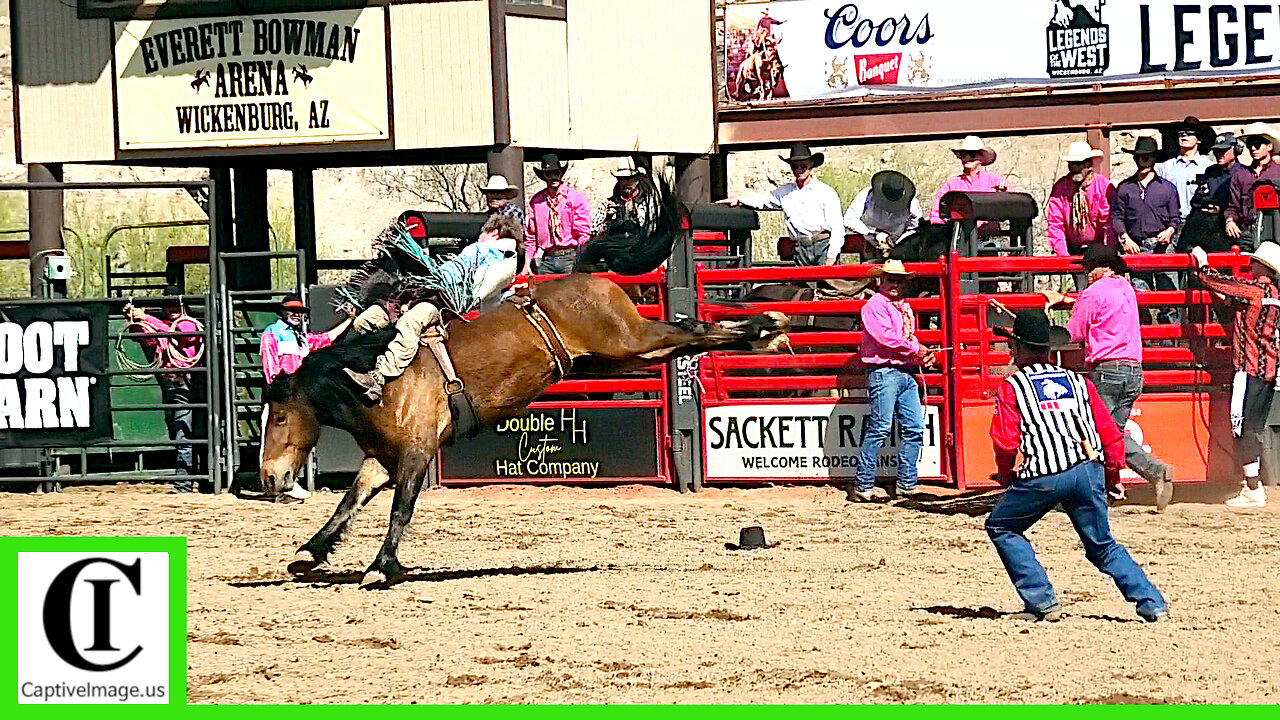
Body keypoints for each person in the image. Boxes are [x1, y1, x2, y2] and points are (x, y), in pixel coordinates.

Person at [986, 309, 1169, 623]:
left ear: (1016, 349)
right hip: (1087, 470)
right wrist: (1112, 476)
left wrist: (1005, 475)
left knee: (1002, 526)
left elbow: (1005, 441)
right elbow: (1111, 435)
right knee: (1101, 544)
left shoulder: (1011, 387)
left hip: (1042, 476)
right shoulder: (1080, 382)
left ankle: (1042, 601)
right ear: (1049, 349)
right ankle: (1151, 602)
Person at [1041, 244, 1175, 511]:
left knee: (1099, 432)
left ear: (1102, 269)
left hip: (1107, 369)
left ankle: (1138, 475)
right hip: (1133, 369)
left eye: (1090, 269)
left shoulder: (1092, 294)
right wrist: (1070, 300)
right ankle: (1117, 484)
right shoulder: (1126, 290)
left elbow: (1073, 333)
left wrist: (1046, 324)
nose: (1088, 274)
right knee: (1111, 432)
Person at [343, 213, 521, 402]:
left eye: (483, 232)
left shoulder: (496, 254)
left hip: (442, 301)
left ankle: (379, 377)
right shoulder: (485, 253)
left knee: (410, 322)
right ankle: (355, 367)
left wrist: (437, 279)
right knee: (365, 321)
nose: (480, 236)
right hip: (417, 293)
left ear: (495, 232)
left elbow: (474, 285)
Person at [1189, 241, 1280, 507]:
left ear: (1260, 266)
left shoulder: (1253, 290)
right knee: (1252, 427)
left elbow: (1214, 280)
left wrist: (1202, 261)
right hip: (1268, 369)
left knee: (1242, 427)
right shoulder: (1271, 293)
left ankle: (1253, 487)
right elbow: (1232, 298)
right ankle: (1253, 483)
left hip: (1249, 367)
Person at [848, 260, 934, 502]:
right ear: (881, 281)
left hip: (902, 371)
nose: (895, 284)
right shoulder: (875, 306)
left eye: (898, 280)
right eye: (891, 279)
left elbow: (898, 339)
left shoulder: (900, 307)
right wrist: (917, 348)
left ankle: (905, 483)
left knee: (913, 427)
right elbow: (887, 339)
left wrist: (918, 353)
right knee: (881, 428)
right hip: (884, 371)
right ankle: (864, 485)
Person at [126, 287, 205, 493]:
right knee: (178, 429)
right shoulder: (163, 327)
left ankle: (184, 482)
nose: (171, 309)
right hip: (172, 382)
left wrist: (146, 318)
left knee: (182, 430)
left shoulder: (186, 324)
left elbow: (181, 335)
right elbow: (148, 339)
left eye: (174, 304)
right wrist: (137, 321)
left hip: (184, 382)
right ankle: (188, 479)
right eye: (167, 305)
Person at [718, 142, 844, 266]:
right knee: (801, 286)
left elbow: (837, 228)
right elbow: (763, 200)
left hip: (823, 245)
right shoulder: (785, 191)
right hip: (799, 248)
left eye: (803, 166)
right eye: (795, 166)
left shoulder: (826, 192)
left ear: (811, 166)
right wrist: (740, 199)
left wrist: (831, 257)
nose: (799, 170)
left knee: (827, 284)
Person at [1112, 137, 1182, 325]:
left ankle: (1170, 348)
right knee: (1140, 299)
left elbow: (1176, 218)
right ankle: (1144, 347)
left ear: (1153, 159)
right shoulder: (1125, 188)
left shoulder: (1167, 188)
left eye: (1146, 157)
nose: (1142, 162)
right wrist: (1125, 238)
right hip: (1137, 247)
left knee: (1169, 300)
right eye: (1139, 158)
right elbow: (1117, 217)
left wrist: (1169, 231)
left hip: (1163, 247)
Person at [1180, 133, 1249, 254]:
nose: (1219, 155)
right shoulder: (1211, 172)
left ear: (1236, 150)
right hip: (1207, 226)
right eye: (1217, 151)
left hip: (1230, 229)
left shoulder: (1243, 174)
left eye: (1223, 151)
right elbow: (1198, 200)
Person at [523, 154, 591, 275]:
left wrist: (582, 257)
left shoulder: (575, 198)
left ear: (561, 173)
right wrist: (527, 264)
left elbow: (583, 233)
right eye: (548, 174)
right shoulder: (536, 202)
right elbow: (531, 237)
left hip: (571, 257)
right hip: (547, 259)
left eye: (556, 173)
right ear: (543, 176)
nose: (553, 177)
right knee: (541, 292)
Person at [1046, 141, 1114, 257]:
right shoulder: (1060, 189)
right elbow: (1055, 224)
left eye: (1080, 163)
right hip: (1071, 249)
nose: (1075, 168)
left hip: (1097, 248)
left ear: (1089, 164)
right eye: (1072, 164)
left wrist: (1109, 252)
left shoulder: (1103, 186)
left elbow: (1108, 222)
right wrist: (1064, 256)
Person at [929, 136, 1012, 224]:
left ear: (981, 159)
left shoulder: (994, 181)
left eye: (972, 155)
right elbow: (937, 215)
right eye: (964, 154)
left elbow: (1013, 205)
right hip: (960, 235)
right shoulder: (951, 185)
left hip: (989, 235)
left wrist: (1003, 194)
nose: (967, 158)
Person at [843, 170, 922, 261]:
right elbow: (849, 219)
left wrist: (899, 242)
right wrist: (873, 233)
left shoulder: (912, 204)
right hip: (869, 244)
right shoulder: (867, 196)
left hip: (899, 250)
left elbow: (914, 228)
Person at [1225, 122, 1280, 252]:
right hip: (1248, 234)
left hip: (1276, 231)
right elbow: (1232, 206)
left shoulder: (1278, 172)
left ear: (1269, 146)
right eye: (1250, 145)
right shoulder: (1240, 176)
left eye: (1257, 145)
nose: (1253, 149)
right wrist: (1230, 221)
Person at [1156, 116, 1212, 220]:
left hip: (1200, 223)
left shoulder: (1208, 167)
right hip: (1172, 224)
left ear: (1199, 140)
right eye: (1181, 133)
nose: (1184, 135)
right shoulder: (1165, 168)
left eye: (1190, 133)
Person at [592, 157, 661, 237]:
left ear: (637, 180)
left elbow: (653, 229)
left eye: (629, 178)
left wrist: (635, 214)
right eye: (622, 179)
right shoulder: (607, 204)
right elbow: (594, 233)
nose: (626, 182)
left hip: (641, 247)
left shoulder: (648, 203)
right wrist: (607, 219)